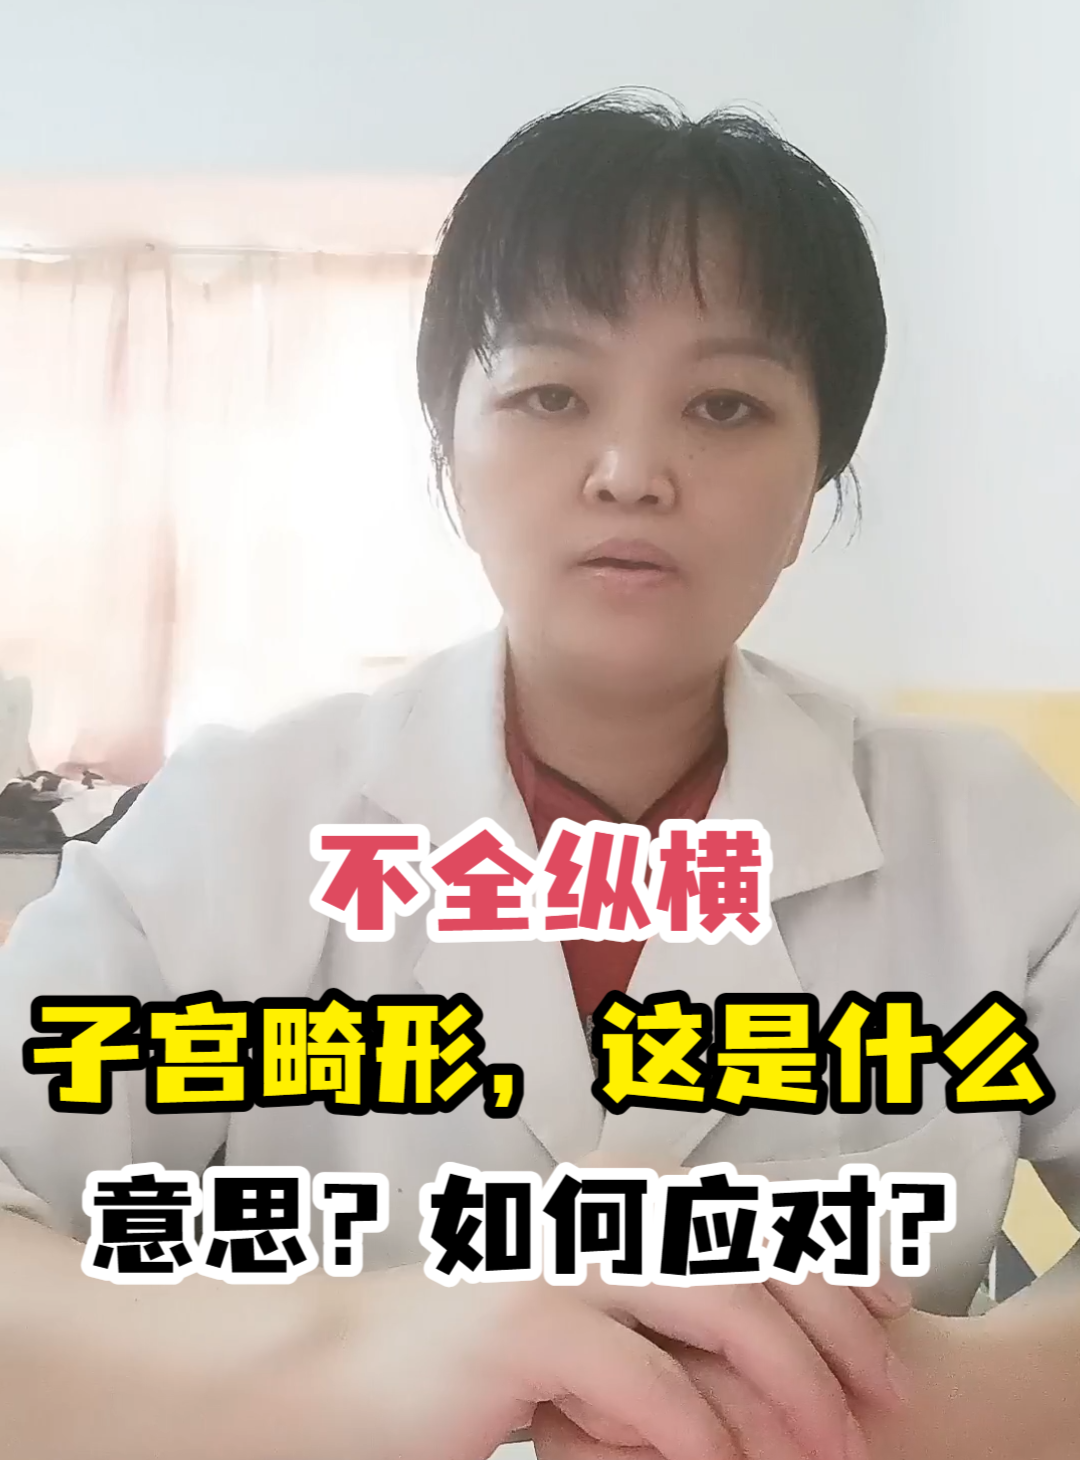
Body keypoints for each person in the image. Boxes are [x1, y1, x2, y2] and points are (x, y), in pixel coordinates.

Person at [2, 90, 1079, 1460]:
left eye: (727, 405)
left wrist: (895, 1406)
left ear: (815, 485)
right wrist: (349, 1358)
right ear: (450, 456)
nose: (631, 471)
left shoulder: (990, 839)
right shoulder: (230, 830)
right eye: (551, 393)